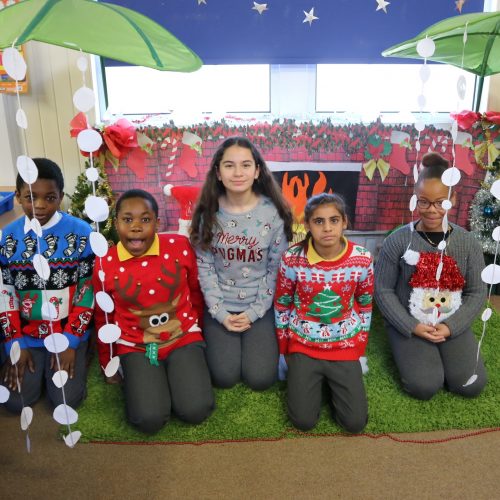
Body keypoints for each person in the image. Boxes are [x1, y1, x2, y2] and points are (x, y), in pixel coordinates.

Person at [93, 189, 214, 433]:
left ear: (158, 224)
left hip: (182, 338)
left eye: (145, 219)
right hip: (137, 345)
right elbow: (103, 316)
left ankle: (180, 372)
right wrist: (108, 361)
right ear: (116, 224)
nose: (136, 227)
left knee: (196, 410)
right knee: (148, 419)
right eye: (127, 219)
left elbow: (195, 293)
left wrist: (197, 334)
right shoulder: (105, 263)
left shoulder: (179, 247)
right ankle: (148, 378)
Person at [375, 152, 487, 400]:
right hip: (410, 320)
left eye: (440, 202)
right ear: (415, 199)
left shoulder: (468, 243)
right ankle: (425, 361)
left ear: (453, 199)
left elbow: (477, 291)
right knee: (424, 386)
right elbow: (382, 290)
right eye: (423, 202)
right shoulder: (397, 241)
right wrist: (410, 326)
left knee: (471, 384)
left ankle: (449, 358)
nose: (432, 210)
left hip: (450, 318)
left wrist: (450, 327)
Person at [190, 137, 293, 390]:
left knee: (260, 378)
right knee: (224, 377)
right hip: (220, 304)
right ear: (218, 172)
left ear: (257, 171)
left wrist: (255, 312)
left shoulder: (273, 214)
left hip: (259, 304)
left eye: (246, 165)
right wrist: (220, 313)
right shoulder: (208, 214)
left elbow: (275, 270)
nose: (238, 173)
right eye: (229, 165)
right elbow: (205, 268)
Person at [0, 158, 94, 413]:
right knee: (15, 403)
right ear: (18, 197)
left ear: (61, 197)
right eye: (30, 198)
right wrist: (15, 344)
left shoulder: (82, 233)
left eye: (50, 198)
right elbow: (5, 294)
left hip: (67, 331)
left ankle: (84, 351)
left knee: (66, 400)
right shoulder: (6, 238)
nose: (40, 205)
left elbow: (87, 292)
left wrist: (71, 341)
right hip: (27, 335)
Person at [274, 193, 373, 432]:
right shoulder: (292, 259)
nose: (327, 228)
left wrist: (359, 347)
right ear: (307, 225)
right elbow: (282, 304)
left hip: (344, 346)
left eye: (334, 220)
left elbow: (365, 303)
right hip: (303, 346)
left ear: (344, 222)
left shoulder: (362, 259)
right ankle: (312, 380)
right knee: (303, 421)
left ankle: (333, 382)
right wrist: (285, 350)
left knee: (355, 423)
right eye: (319, 221)